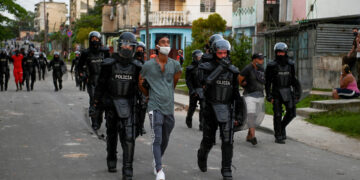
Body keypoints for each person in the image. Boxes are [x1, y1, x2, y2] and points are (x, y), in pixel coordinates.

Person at [92, 32, 142, 180]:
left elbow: (142, 88)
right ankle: (111, 158)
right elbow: (100, 86)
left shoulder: (138, 66)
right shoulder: (109, 65)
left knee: (129, 137)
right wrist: (95, 104)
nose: (126, 47)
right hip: (111, 104)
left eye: (129, 45)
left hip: (129, 105)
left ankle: (128, 169)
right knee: (112, 134)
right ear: (119, 46)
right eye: (124, 44)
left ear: (133, 48)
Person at [196, 39, 242, 180]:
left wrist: (239, 115)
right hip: (210, 107)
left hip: (227, 108)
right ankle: (202, 155)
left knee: (228, 140)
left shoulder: (233, 71)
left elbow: (236, 94)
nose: (223, 55)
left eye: (225, 53)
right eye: (220, 53)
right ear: (215, 53)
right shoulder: (205, 67)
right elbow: (205, 84)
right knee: (209, 140)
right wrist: (221, 68)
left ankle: (226, 169)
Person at [139, 34, 182, 180]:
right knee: (157, 138)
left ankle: (157, 159)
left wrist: (167, 93)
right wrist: (148, 94)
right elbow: (140, 81)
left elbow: (174, 83)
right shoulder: (148, 65)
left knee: (165, 138)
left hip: (168, 106)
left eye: (168, 42)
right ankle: (159, 169)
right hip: (154, 106)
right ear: (157, 46)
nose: (166, 44)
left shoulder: (175, 65)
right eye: (163, 42)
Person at [265, 42, 301, 144]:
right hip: (276, 92)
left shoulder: (291, 64)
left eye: (282, 52)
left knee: (291, 113)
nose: (280, 54)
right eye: (278, 52)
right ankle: (278, 135)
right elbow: (268, 82)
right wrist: (268, 95)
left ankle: (282, 126)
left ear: (285, 52)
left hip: (288, 91)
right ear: (276, 53)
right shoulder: (271, 65)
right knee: (277, 114)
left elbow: (294, 80)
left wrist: (297, 93)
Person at [78, 31, 110, 130]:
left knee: (105, 101)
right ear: (90, 40)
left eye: (96, 39)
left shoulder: (105, 51)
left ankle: (105, 120)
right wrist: (82, 74)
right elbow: (80, 66)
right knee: (93, 100)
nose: (95, 41)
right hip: (92, 79)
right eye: (93, 39)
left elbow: (111, 64)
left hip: (104, 80)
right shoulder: (86, 53)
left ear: (100, 40)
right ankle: (95, 121)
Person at [238, 53, 266, 145]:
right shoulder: (248, 68)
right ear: (254, 59)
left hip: (260, 95)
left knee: (256, 116)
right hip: (249, 95)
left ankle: (249, 136)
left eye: (262, 59)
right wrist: (244, 84)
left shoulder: (262, 69)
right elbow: (239, 79)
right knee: (251, 115)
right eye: (260, 59)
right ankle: (253, 136)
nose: (262, 61)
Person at [185, 49, 204, 130]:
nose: (200, 58)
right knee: (192, 107)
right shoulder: (190, 68)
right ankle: (188, 119)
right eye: (198, 56)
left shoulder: (204, 67)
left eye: (201, 56)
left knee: (203, 107)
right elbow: (188, 81)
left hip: (202, 90)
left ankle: (202, 124)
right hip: (194, 89)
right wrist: (192, 91)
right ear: (195, 57)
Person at [134, 41, 147, 135]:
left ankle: (141, 125)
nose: (139, 52)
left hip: (142, 88)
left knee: (143, 106)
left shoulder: (145, 64)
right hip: (132, 87)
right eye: (138, 50)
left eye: (141, 50)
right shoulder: (131, 62)